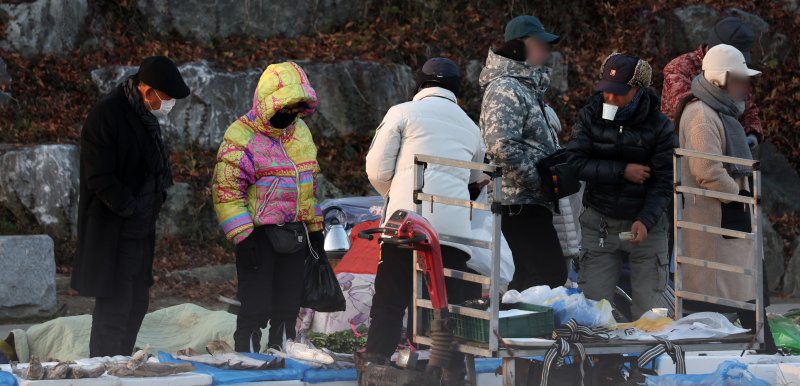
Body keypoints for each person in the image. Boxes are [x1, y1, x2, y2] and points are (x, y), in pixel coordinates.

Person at [361, 58, 486, 370]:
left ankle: (377, 356)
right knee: (443, 302)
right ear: (456, 89)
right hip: (455, 234)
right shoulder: (472, 127)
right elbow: (475, 177)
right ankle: (445, 365)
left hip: (408, 223)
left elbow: (376, 168)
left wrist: (395, 191)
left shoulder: (402, 112)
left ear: (420, 84)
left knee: (392, 291)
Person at [71, 56, 190, 357]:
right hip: (114, 231)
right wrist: (132, 207)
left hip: (140, 231)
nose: (169, 104)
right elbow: (99, 176)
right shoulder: (107, 115)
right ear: (147, 90)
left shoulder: (145, 116)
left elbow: (153, 169)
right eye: (167, 98)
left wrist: (153, 203)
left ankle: (123, 363)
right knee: (115, 307)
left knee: (137, 304)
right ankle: (104, 368)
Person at [212, 62, 327, 352]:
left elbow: (308, 187)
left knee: (288, 303)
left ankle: (284, 351)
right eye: (283, 108)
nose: (288, 116)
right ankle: (247, 355)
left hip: (294, 232)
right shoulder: (241, 135)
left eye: (295, 109)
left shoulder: (300, 133)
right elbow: (226, 190)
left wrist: (315, 228)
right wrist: (243, 234)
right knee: (256, 303)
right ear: (267, 103)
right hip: (258, 235)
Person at [676, 44, 776, 352]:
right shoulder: (701, 115)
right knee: (727, 295)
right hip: (715, 221)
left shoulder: (716, 110)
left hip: (724, 220)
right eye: (740, 79)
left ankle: (761, 347)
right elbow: (707, 170)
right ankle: (761, 349)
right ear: (722, 78)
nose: (745, 86)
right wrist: (741, 197)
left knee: (745, 291)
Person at [566, 53, 675, 320]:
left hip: (645, 226)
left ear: (638, 90)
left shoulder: (660, 126)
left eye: (619, 93)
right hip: (600, 222)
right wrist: (622, 171)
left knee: (651, 313)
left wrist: (645, 220)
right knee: (593, 310)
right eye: (606, 92)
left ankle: (647, 362)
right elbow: (574, 162)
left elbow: (664, 182)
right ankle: (603, 362)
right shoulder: (591, 114)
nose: (610, 99)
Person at [479, 15, 566, 291]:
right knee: (547, 276)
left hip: (529, 202)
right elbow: (501, 145)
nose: (547, 51)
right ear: (520, 46)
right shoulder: (506, 87)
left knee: (532, 280)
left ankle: (512, 332)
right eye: (541, 44)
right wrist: (539, 179)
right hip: (517, 204)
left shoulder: (525, 87)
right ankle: (518, 332)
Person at [662, 17, 762, 149]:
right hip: (681, 148)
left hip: (729, 146)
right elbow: (691, 110)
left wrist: (752, 135)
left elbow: (748, 108)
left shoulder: (736, 70)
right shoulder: (679, 68)